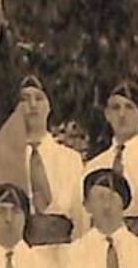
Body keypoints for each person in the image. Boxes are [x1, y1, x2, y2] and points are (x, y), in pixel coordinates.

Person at [85, 80, 138, 241]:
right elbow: (85, 219)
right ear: (107, 115)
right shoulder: (94, 165)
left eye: (129, 107)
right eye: (116, 108)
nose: (122, 115)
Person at [16, 75, 87, 244]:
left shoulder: (70, 160)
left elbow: (82, 218)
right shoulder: (4, 160)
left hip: (62, 253)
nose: (33, 105)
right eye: (24, 100)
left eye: (39, 99)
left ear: (49, 106)